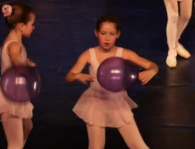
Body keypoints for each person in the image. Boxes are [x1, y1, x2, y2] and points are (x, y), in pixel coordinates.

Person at [67, 13, 157, 148]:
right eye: (103, 33)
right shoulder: (89, 55)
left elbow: (151, 65)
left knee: (138, 145)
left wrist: (152, 71)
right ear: (96, 33)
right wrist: (77, 76)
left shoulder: (124, 54)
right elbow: (69, 76)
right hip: (96, 103)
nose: (107, 38)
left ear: (118, 34)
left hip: (117, 102)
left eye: (112, 34)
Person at [0, 4, 37, 149]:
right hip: (9, 95)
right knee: (15, 144)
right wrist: (22, 67)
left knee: (28, 125)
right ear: (21, 25)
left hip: (15, 92)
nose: (33, 27)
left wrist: (25, 63)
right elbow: (14, 60)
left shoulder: (13, 41)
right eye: (32, 24)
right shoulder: (14, 45)